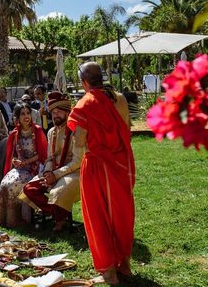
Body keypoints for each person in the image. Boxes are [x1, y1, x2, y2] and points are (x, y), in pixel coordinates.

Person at [67, 62, 135, 285]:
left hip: (96, 167)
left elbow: (79, 143)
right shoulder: (120, 98)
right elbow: (127, 128)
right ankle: (124, 264)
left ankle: (109, 271)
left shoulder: (85, 103)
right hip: (120, 164)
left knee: (98, 217)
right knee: (121, 215)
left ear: (83, 82)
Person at [21, 92, 83, 232]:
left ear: (68, 112)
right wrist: (48, 172)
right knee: (29, 189)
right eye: (53, 112)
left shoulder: (77, 131)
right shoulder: (51, 132)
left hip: (75, 172)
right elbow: (50, 157)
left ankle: (59, 216)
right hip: (54, 171)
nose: (56, 115)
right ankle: (57, 213)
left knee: (59, 191)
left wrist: (55, 175)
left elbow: (77, 161)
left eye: (59, 111)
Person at [0, 103, 48, 228]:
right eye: (23, 114)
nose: (26, 116)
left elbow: (43, 154)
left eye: (28, 113)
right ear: (17, 117)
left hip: (36, 167)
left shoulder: (38, 130)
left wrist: (27, 162)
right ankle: (8, 220)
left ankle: (22, 220)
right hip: (20, 168)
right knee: (5, 184)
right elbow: (12, 155)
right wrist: (15, 161)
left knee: (14, 185)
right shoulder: (14, 134)